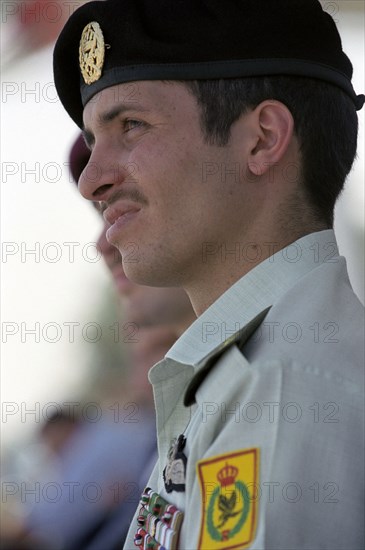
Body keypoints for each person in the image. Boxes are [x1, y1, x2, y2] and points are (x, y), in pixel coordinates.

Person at [53, 1, 364, 548]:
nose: (92, 181)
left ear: (263, 138)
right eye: (95, 139)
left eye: (131, 125)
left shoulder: (282, 391)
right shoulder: (256, 375)